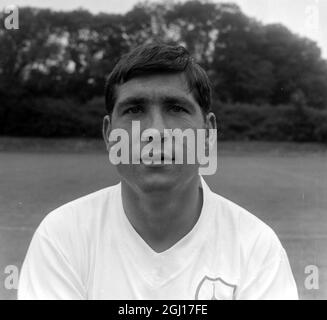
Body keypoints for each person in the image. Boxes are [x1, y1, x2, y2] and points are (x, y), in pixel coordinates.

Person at [18, 43, 298, 300]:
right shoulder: (62, 236)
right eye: (134, 109)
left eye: (176, 108)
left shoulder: (257, 247)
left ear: (208, 132)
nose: (155, 131)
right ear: (108, 134)